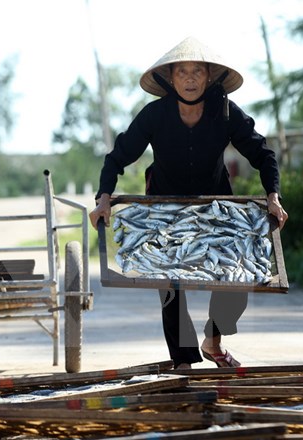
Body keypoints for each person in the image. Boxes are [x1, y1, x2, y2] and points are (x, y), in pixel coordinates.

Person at [88, 36, 288, 370]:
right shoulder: (154, 115)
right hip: (164, 210)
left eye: (198, 71)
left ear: (210, 77)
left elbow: (263, 154)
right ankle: (183, 363)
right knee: (170, 284)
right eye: (183, 72)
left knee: (236, 277)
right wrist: (104, 198)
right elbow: (117, 157)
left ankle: (213, 340)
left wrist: (273, 196)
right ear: (171, 78)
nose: (191, 78)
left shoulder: (226, 113)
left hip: (215, 209)